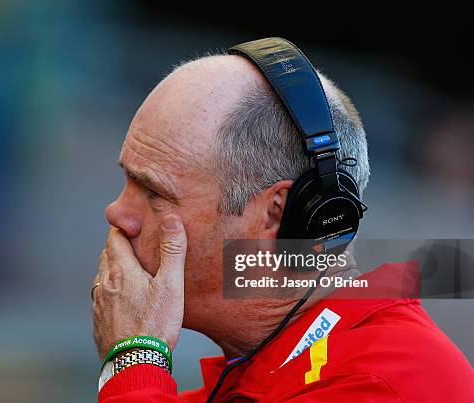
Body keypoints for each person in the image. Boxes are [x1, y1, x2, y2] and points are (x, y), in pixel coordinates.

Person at [91, 39, 474, 402]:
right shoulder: (273, 377)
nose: (117, 213)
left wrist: (135, 360)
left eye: (154, 193)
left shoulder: (384, 382)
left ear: (276, 214)